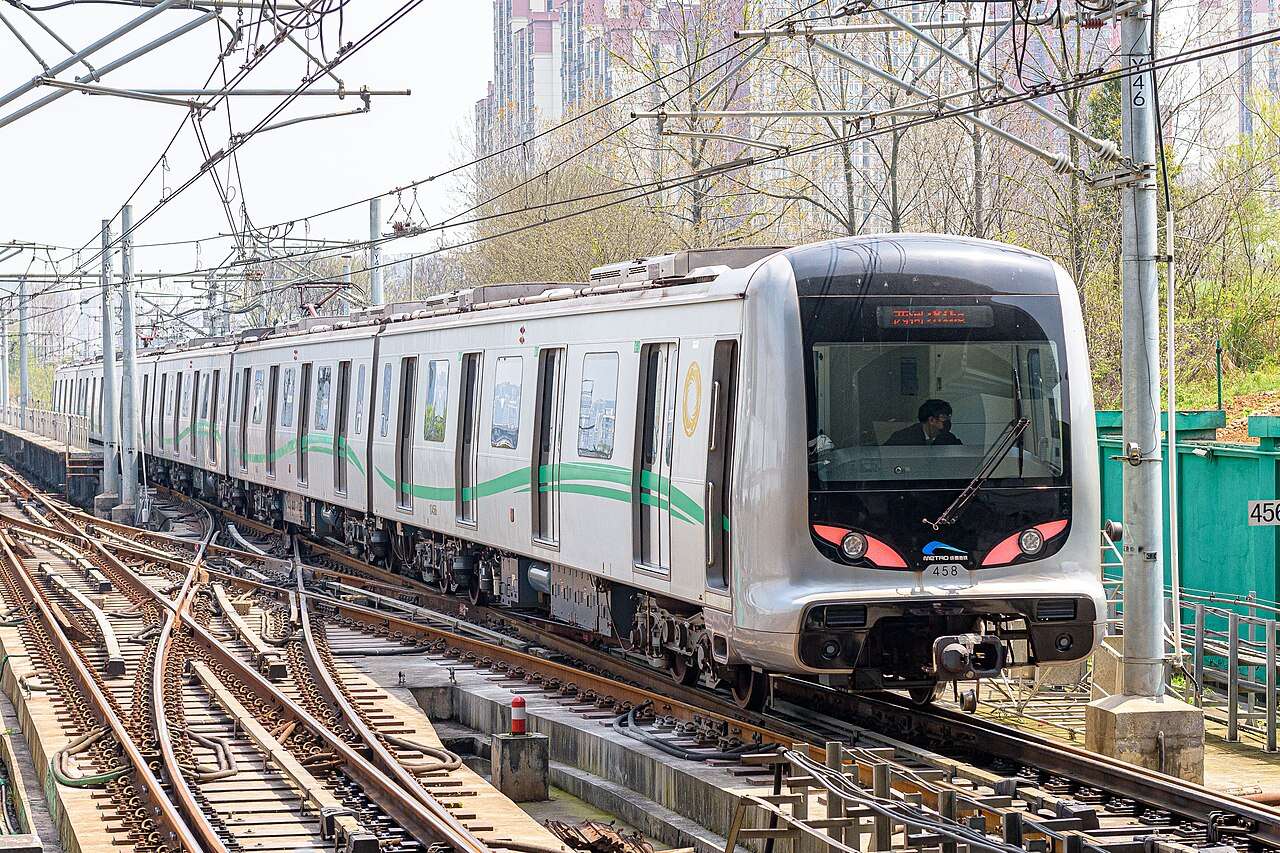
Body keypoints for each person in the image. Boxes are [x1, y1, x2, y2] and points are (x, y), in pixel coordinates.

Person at [885, 399, 962, 446]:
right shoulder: (902, 438)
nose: (948, 421)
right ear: (931, 420)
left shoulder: (949, 438)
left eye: (949, 417)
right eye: (944, 417)